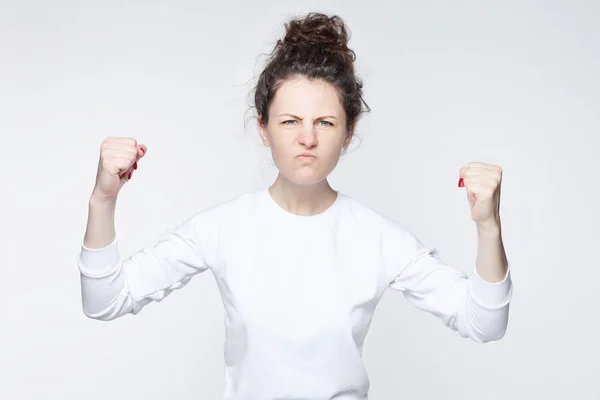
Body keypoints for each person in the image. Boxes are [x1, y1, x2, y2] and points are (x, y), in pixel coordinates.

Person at [78, 12, 512, 400]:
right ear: (264, 127)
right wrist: (103, 198)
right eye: (290, 122)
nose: (307, 138)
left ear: (348, 132)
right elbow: (106, 300)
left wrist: (488, 226)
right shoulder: (222, 228)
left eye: (325, 122)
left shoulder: (377, 237)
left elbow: (483, 324)